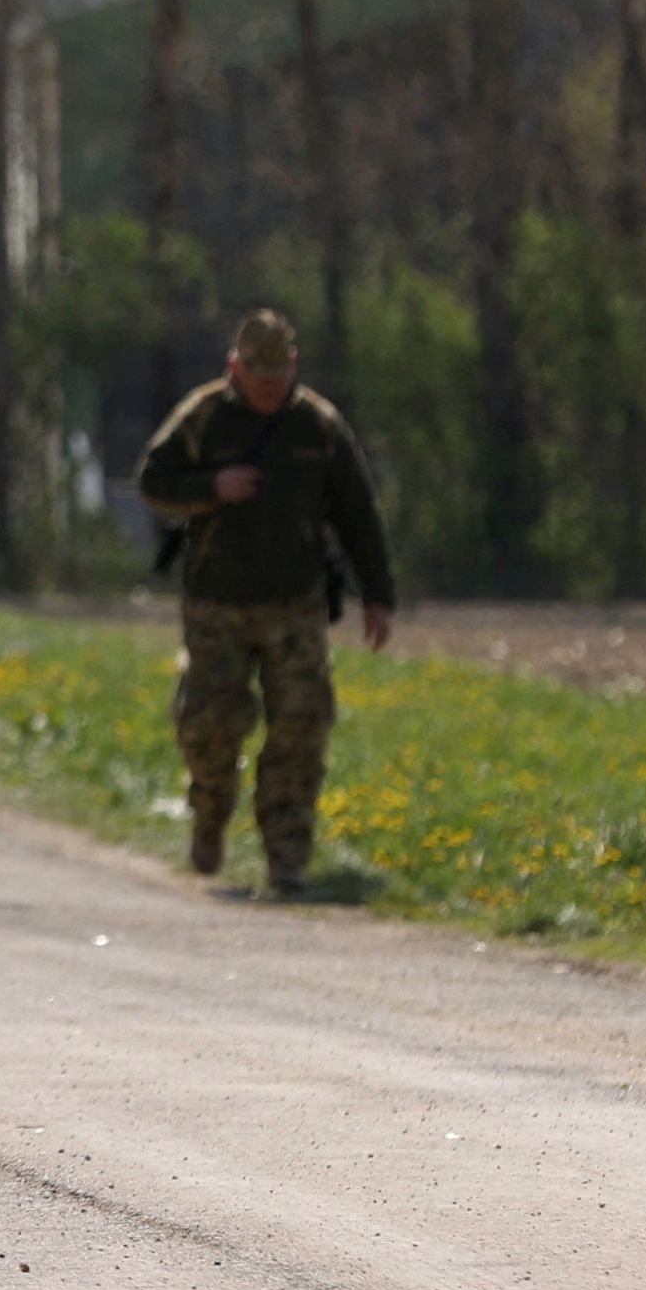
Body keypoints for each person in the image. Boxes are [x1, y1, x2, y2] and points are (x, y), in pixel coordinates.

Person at [134, 307, 395, 899]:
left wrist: (378, 595)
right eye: (260, 374)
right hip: (215, 606)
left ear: (295, 366)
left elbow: (358, 513)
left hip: (296, 605)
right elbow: (152, 480)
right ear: (235, 367)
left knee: (301, 730)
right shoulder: (203, 417)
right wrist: (211, 488)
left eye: (281, 374)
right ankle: (211, 807)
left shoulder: (319, 427)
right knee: (209, 726)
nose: (271, 386)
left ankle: (287, 859)